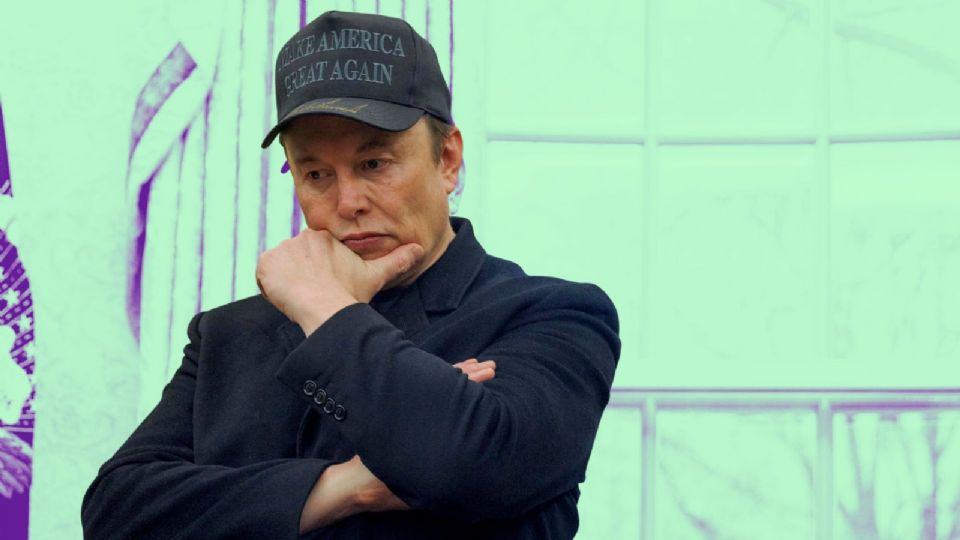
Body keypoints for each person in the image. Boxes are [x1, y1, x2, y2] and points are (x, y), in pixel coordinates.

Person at [81, 10, 620, 539]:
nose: (348, 202)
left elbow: (474, 465)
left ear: (448, 159)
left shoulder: (555, 315)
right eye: (316, 173)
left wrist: (327, 309)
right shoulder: (228, 335)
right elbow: (116, 513)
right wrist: (346, 487)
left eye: (374, 164)